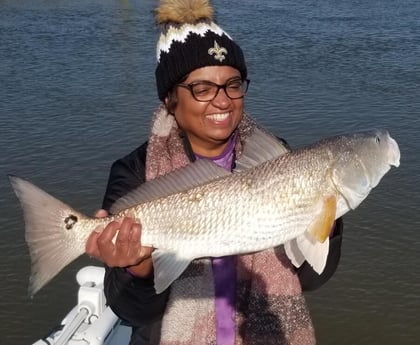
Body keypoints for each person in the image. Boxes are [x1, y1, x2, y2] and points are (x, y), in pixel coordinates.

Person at [86, 0, 343, 344]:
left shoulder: (276, 157)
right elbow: (133, 312)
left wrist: (330, 205)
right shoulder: (135, 170)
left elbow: (312, 278)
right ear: (169, 99)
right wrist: (137, 267)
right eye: (202, 89)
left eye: (233, 85)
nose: (223, 101)